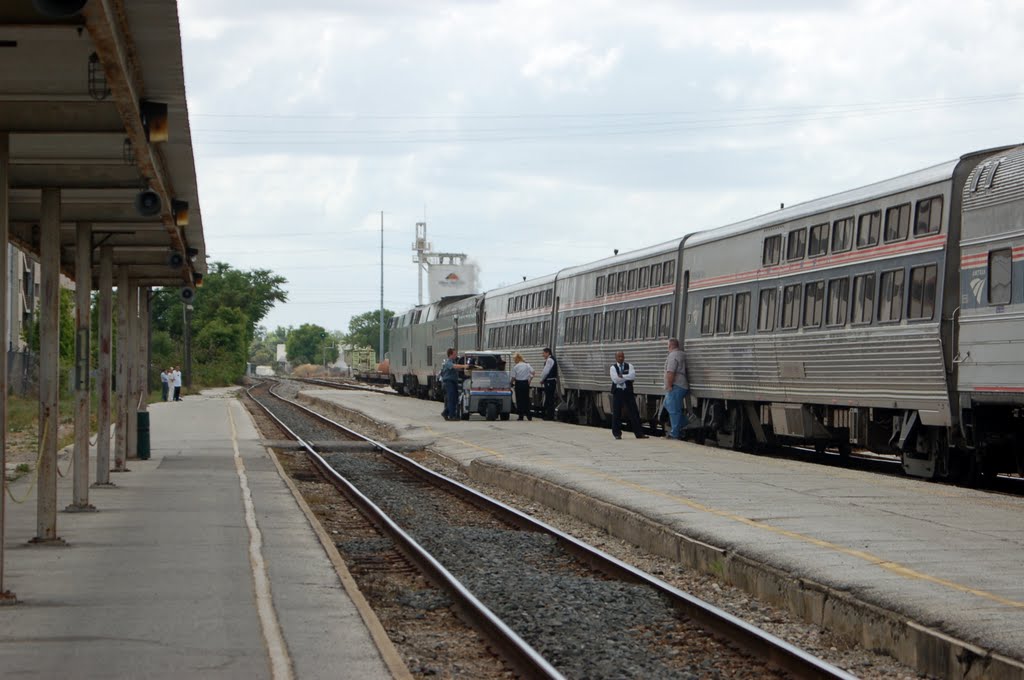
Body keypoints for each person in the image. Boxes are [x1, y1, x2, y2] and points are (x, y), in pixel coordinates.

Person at [610, 351, 649, 439]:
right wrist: (626, 377)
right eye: (619, 357)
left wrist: (622, 376)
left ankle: (639, 434)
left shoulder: (629, 366)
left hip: (628, 391)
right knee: (617, 413)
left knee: (634, 413)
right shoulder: (613, 367)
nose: (621, 358)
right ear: (616, 358)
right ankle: (617, 434)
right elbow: (615, 380)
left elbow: (632, 376)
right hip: (618, 392)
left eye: (622, 356)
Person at [663, 338, 689, 439]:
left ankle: (675, 433)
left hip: (676, 385)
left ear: (670, 346)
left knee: (674, 409)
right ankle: (683, 423)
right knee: (668, 404)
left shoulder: (673, 356)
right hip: (680, 384)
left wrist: (669, 385)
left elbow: (671, 372)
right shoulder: (680, 354)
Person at [438, 348, 466, 421]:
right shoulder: (447, 362)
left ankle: (445, 412)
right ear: (450, 355)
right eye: (454, 354)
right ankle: (451, 415)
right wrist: (464, 366)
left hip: (453, 382)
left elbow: (456, 367)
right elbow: (454, 366)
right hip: (449, 382)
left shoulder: (453, 361)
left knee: (455, 399)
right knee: (451, 399)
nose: (456, 355)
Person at [510, 352, 534, 421]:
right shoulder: (527, 365)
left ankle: (521, 416)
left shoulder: (516, 367)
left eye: (514, 359)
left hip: (519, 383)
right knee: (526, 399)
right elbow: (533, 372)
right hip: (525, 383)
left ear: (517, 359)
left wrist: (510, 383)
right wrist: (529, 380)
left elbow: (513, 377)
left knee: (519, 400)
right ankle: (529, 415)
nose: (514, 361)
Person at [538, 347, 558, 421]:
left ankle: (549, 416)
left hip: (549, 381)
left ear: (547, 353)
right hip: (552, 381)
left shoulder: (549, 360)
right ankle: (550, 415)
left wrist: (541, 379)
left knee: (549, 398)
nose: (542, 355)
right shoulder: (552, 359)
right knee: (550, 398)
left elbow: (546, 371)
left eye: (543, 353)